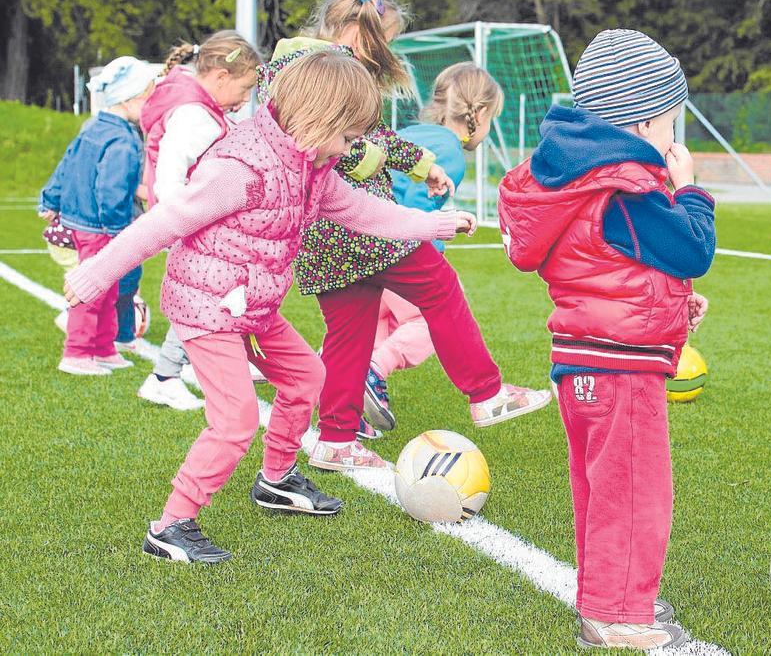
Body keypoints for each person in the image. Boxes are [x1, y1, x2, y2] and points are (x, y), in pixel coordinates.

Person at [63, 51, 477, 564]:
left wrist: (432, 224)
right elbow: (164, 223)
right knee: (235, 420)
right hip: (208, 307)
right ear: (318, 120)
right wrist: (94, 274)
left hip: (252, 307)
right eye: (348, 138)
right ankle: (170, 526)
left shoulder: (312, 164)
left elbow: (361, 210)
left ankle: (276, 481)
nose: (352, 150)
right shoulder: (240, 167)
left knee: (308, 377)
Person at [258, 0, 549, 471]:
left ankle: (335, 439)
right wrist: (380, 163)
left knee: (350, 332)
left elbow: (369, 135)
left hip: (320, 234)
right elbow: (335, 146)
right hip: (359, 223)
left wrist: (421, 165)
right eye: (384, 40)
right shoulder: (323, 69)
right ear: (358, 30)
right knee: (440, 287)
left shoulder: (293, 65)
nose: (385, 52)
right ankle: (486, 393)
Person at [497, 29, 716, 650]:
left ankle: (607, 596)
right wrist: (690, 189)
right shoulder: (626, 188)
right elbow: (692, 249)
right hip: (619, 370)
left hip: (585, 360)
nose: (676, 137)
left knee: (602, 489)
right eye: (673, 121)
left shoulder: (583, 180)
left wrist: (674, 306)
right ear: (645, 121)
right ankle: (617, 615)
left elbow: (611, 268)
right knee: (634, 493)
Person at [362, 62, 503, 434]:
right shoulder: (450, 154)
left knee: (372, 325)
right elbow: (416, 207)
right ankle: (373, 371)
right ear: (480, 114)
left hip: (363, 246)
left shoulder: (409, 133)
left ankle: (348, 402)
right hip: (398, 250)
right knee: (428, 321)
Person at [134, 30, 263, 411]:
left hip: (194, 221)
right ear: (221, 78)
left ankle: (186, 368)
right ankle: (164, 376)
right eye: (243, 89)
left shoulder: (201, 108)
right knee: (204, 296)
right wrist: (185, 223)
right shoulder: (195, 116)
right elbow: (171, 175)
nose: (244, 101)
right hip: (191, 223)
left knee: (216, 292)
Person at [39, 56, 158, 376]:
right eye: (149, 96)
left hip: (85, 221)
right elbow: (111, 188)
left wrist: (50, 197)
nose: (151, 104)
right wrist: (118, 230)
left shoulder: (93, 126)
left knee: (109, 288)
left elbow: (66, 163)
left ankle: (104, 348)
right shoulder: (121, 138)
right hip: (101, 226)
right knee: (93, 288)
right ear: (132, 98)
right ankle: (77, 353)